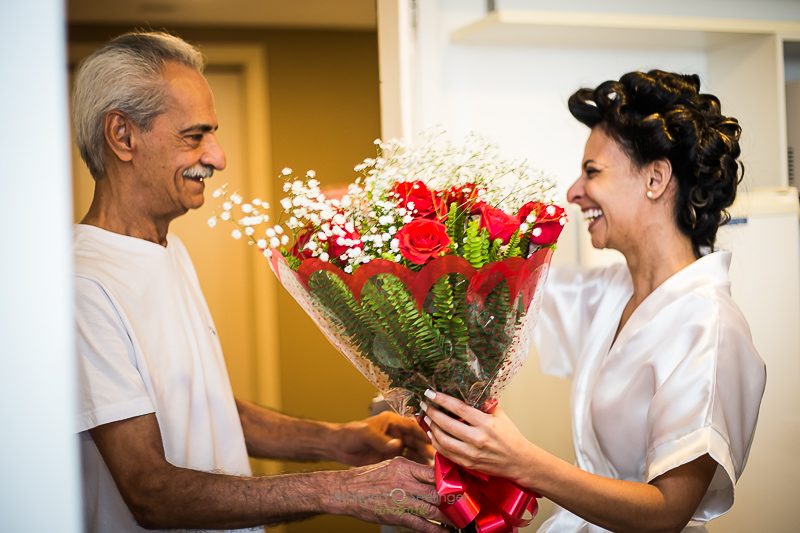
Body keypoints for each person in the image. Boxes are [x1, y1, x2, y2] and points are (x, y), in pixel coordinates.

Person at [72, 30, 448, 533]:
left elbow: (203, 409)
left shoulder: (167, 249)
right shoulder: (83, 283)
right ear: (123, 136)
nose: (217, 157)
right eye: (194, 136)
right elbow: (150, 491)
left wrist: (337, 440)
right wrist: (344, 491)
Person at [421, 70, 766, 532]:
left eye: (593, 172)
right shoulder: (611, 290)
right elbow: (493, 295)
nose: (573, 192)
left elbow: (667, 512)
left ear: (655, 178)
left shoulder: (709, 327)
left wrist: (521, 461)